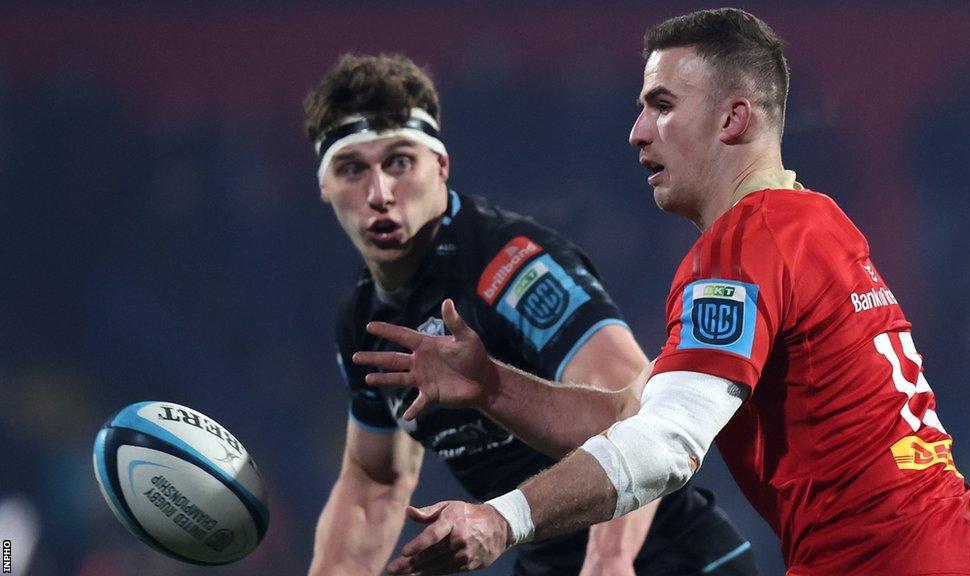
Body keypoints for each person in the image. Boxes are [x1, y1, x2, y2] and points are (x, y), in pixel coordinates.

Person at [353, 8, 970, 576]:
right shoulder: (816, 221)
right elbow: (641, 419)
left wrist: (500, 520)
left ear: (733, 118)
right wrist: (493, 387)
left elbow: (667, 447)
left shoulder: (746, 243)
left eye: (662, 105)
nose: (637, 131)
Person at [303, 53, 757, 576]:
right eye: (353, 169)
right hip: (544, 558)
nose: (380, 194)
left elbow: (636, 405)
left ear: (441, 166)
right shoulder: (363, 320)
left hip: (667, 559)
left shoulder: (510, 265)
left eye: (400, 162)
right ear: (324, 185)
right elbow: (373, 482)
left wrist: (610, 559)